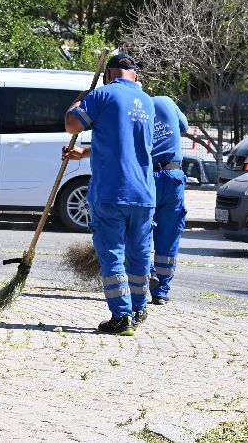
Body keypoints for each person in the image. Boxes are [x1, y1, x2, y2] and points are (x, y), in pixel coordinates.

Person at [63, 53, 155, 336]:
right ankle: (138, 310)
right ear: (135, 76)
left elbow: (71, 124)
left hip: (112, 191)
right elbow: (123, 144)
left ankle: (121, 317)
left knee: (112, 255)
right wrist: (84, 152)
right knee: (139, 256)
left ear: (109, 75)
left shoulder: (102, 94)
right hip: (143, 192)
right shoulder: (148, 102)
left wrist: (80, 99)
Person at [149, 95, 189, 305]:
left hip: (148, 177)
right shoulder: (167, 102)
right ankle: (161, 291)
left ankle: (148, 273)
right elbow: (184, 127)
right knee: (169, 234)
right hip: (173, 177)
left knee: (139, 228)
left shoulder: (136, 106)